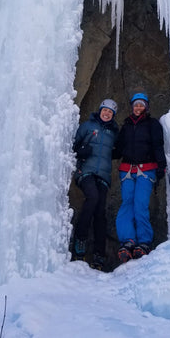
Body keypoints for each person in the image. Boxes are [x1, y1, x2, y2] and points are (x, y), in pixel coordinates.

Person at [114, 92, 166, 263]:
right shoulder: (126, 125)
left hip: (147, 169)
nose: (138, 108)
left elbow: (158, 146)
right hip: (127, 170)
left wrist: (161, 166)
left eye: (141, 105)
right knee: (126, 204)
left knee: (140, 204)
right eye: (136, 105)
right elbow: (119, 148)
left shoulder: (152, 124)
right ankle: (128, 241)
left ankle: (144, 241)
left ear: (146, 107)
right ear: (132, 107)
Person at [72, 98, 118, 270]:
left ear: (113, 116)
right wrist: (81, 151)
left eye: (110, 112)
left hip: (103, 176)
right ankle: (80, 240)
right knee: (92, 197)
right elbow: (73, 145)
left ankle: (99, 253)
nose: (107, 114)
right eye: (104, 110)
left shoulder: (114, 132)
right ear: (100, 111)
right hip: (86, 172)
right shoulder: (87, 126)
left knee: (100, 212)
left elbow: (116, 151)